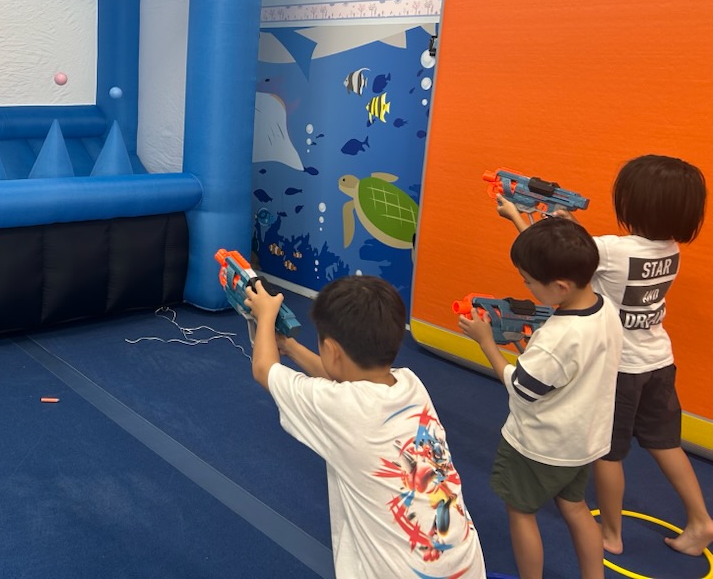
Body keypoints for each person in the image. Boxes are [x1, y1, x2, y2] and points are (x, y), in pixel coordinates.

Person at [497, 155, 713, 556]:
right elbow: (598, 260)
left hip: (621, 368)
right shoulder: (670, 249)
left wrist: (515, 215)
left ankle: (611, 533)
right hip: (658, 360)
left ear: (638, 205)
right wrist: (570, 224)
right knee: (666, 443)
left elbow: (551, 259)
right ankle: (701, 520)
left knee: (607, 453)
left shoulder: (611, 249)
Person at [245, 275, 487, 579]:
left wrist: (266, 316)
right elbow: (343, 383)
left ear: (332, 350)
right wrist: (290, 348)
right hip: (466, 565)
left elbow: (263, 369)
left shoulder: (340, 408)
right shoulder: (410, 383)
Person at [458, 217, 622, 579]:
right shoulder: (607, 308)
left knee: (521, 513)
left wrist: (486, 342)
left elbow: (522, 387)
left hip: (539, 446)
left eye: (529, 282)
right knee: (576, 508)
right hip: (583, 442)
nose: (526, 287)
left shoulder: (556, 338)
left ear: (561, 287)